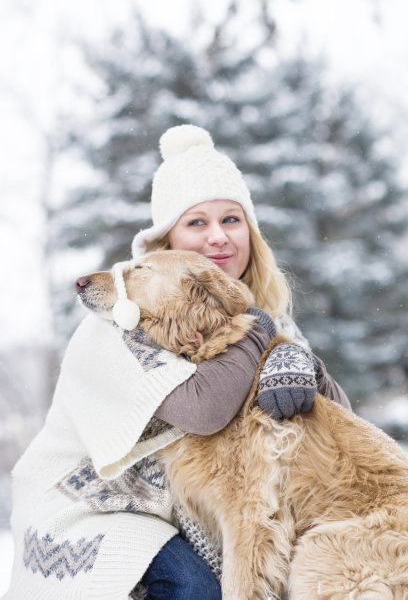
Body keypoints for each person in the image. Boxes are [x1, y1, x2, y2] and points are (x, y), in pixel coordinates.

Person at [5, 125, 350, 600]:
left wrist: (302, 362)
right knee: (193, 588)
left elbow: (341, 424)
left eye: (231, 219)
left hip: (175, 517)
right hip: (88, 507)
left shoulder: (270, 322)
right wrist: (258, 331)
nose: (218, 238)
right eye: (195, 223)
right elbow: (203, 412)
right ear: (166, 240)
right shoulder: (119, 320)